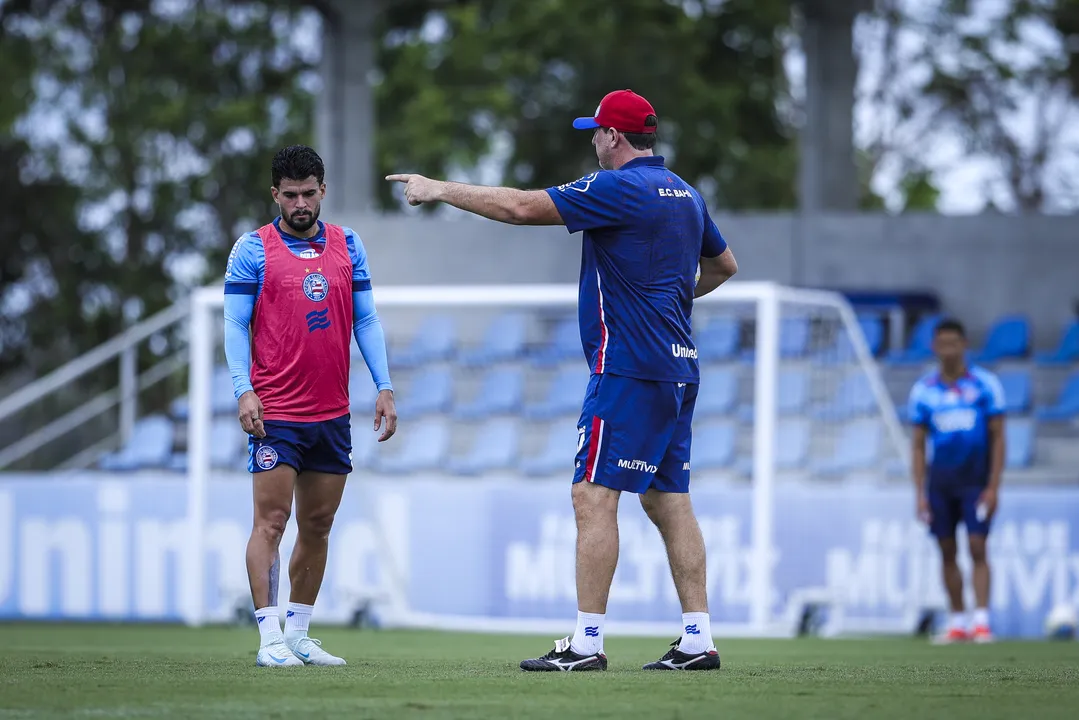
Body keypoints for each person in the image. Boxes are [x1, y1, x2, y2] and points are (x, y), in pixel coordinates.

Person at [387, 89, 738, 671]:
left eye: (596, 132)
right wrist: (672, 303)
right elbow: (724, 266)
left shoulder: (618, 187)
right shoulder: (687, 195)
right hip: (678, 366)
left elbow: (523, 208)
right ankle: (698, 639)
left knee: (592, 496)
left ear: (615, 137)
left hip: (627, 366)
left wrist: (441, 188)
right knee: (669, 499)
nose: (593, 141)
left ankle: (586, 644)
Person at [224, 145, 397, 667]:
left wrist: (383, 385)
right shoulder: (252, 250)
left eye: (309, 192)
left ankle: (299, 632)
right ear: (275, 194)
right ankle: (269, 639)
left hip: (331, 413)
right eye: (290, 194)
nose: (300, 202)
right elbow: (234, 323)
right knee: (270, 523)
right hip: (276, 411)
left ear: (323, 190)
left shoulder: (349, 244)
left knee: (318, 525)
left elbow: (364, 320)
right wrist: (242, 388)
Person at [908, 318, 1006, 644]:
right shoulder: (924, 391)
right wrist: (919, 492)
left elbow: (998, 437)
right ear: (935, 347)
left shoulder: (985, 385)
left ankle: (981, 621)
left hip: (975, 481)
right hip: (941, 483)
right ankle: (957, 621)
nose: (948, 350)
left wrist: (994, 486)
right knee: (946, 549)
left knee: (978, 546)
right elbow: (919, 445)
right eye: (942, 344)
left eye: (954, 343)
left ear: (964, 345)